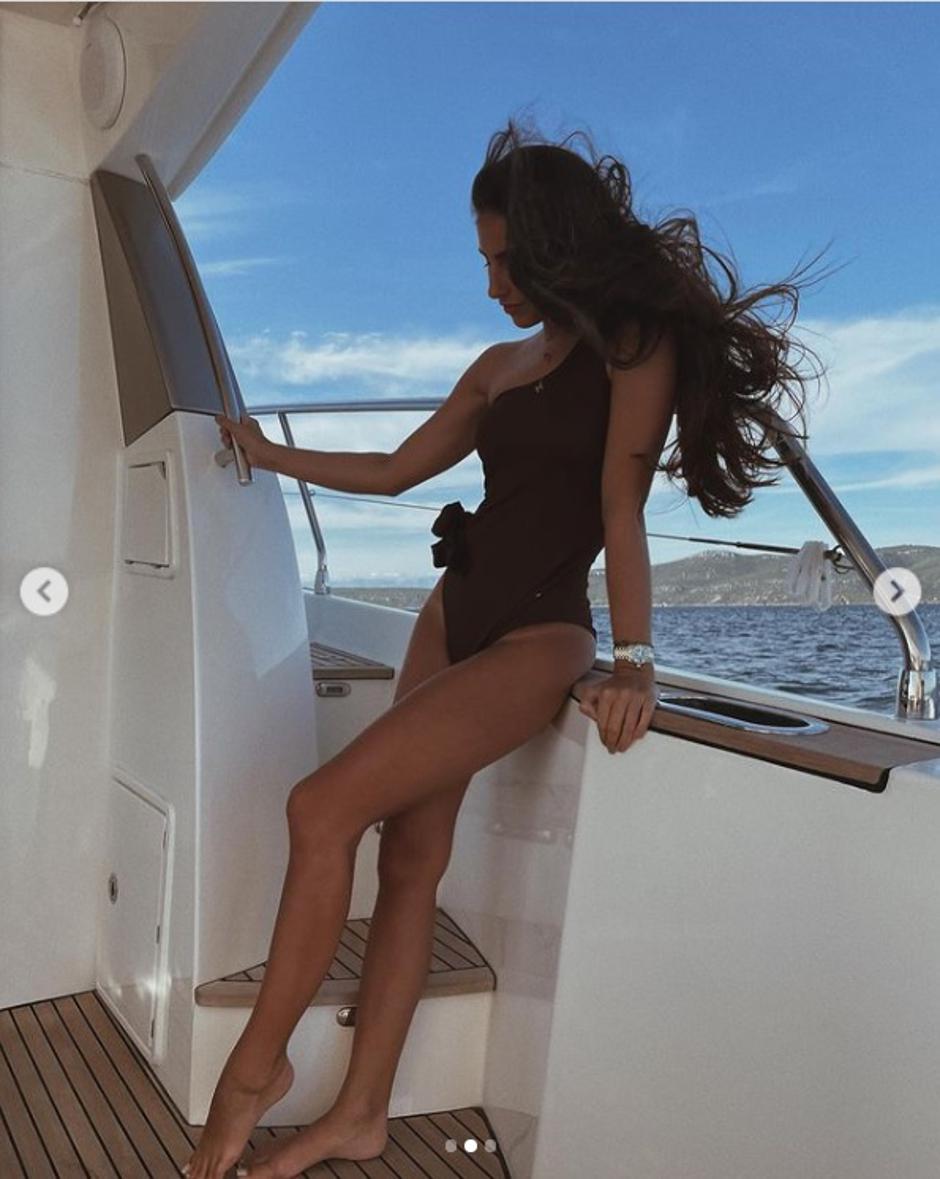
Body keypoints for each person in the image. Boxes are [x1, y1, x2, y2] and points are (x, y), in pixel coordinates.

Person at [182, 117, 833, 1179]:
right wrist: (267, 450)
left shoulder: (633, 349)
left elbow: (620, 508)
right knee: (408, 858)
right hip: (454, 611)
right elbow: (397, 471)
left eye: (504, 261)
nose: (491, 283)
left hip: (538, 633)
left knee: (319, 807)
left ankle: (254, 1072)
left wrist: (635, 660)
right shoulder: (497, 366)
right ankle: (360, 1115)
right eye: (485, 261)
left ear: (555, 246)